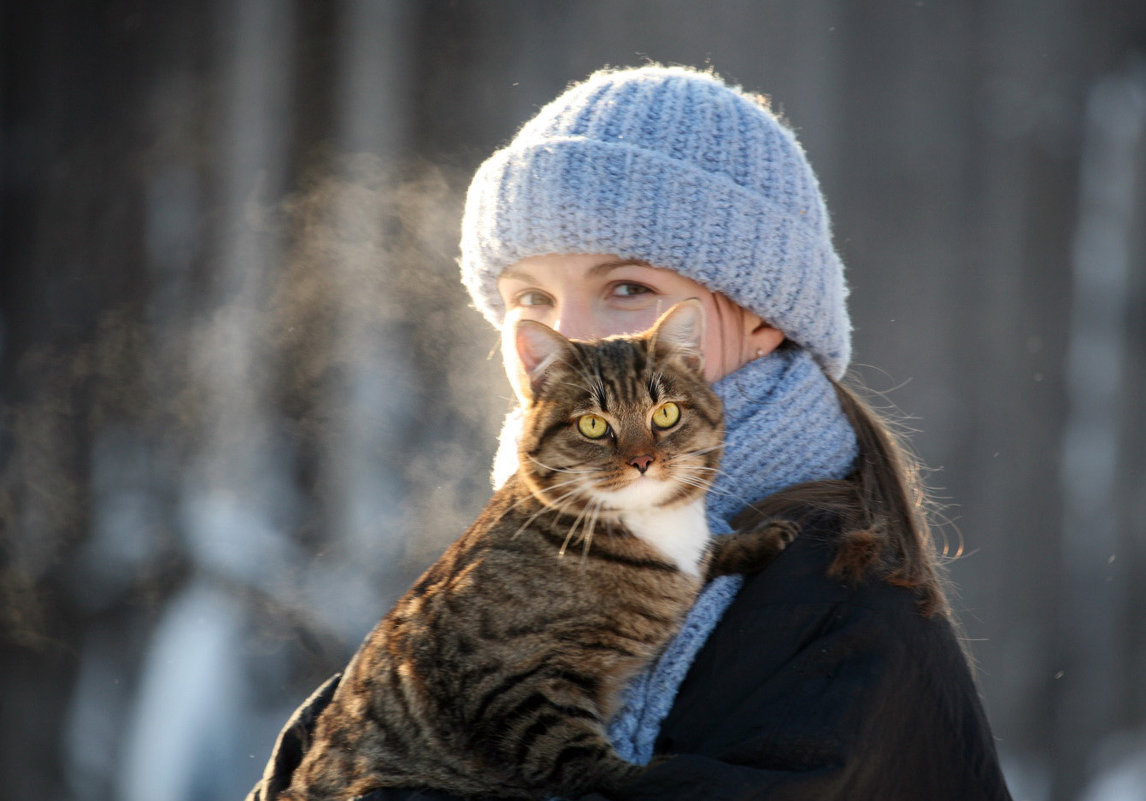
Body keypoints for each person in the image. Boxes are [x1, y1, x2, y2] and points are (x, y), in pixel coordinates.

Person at [247, 64, 1014, 800]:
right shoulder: (501, 573)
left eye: (625, 288)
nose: (571, 335)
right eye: (533, 299)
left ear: (763, 314)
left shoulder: (841, 615)